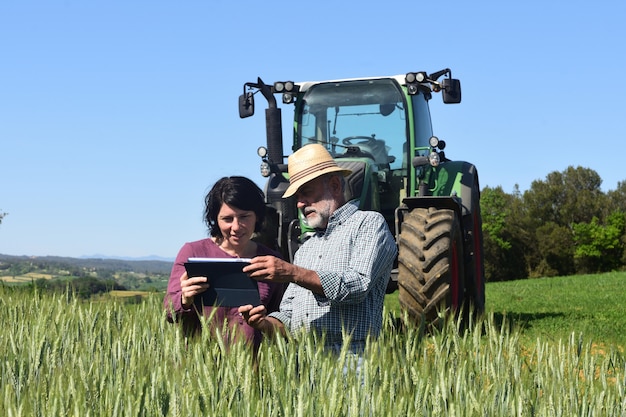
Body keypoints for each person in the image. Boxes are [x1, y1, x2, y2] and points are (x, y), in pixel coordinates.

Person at [239, 144, 398, 355]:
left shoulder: (368, 223)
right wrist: (263, 323)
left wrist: (292, 272)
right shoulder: (306, 249)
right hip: (305, 365)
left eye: (306, 192)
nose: (299, 204)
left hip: (353, 359)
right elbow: (288, 316)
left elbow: (357, 285)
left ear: (334, 186)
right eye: (297, 197)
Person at [164, 176, 285, 350]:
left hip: (253, 371)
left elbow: (281, 320)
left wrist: (264, 322)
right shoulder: (193, 253)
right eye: (227, 219)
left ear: (257, 216)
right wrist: (184, 299)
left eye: (244, 216)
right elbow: (169, 312)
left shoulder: (272, 261)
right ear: (215, 219)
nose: (236, 226)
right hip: (200, 369)